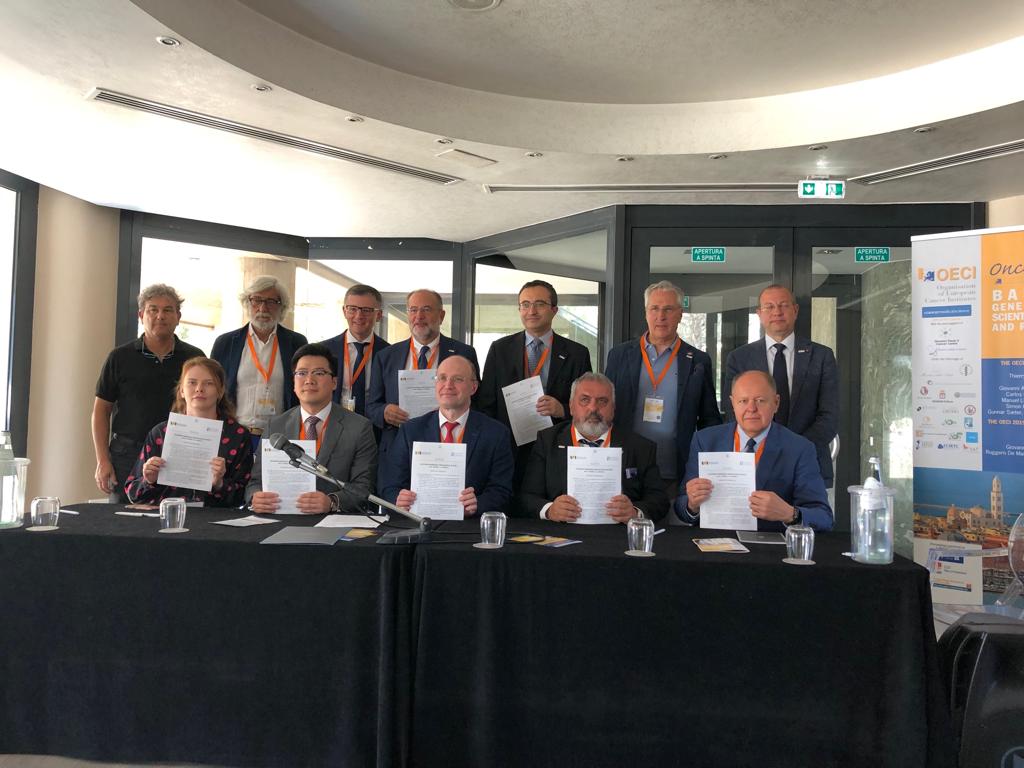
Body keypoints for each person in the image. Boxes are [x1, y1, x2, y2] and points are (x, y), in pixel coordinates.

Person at [604, 280, 722, 507]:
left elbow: (710, 419)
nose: (661, 316)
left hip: (675, 468)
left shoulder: (698, 360)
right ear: (646, 312)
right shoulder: (619, 355)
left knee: (671, 526)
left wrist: (710, 465)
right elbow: (606, 407)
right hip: (625, 465)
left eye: (668, 309)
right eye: (655, 309)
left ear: (680, 314)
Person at [675, 370, 833, 531]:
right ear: (732, 403)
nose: (751, 408)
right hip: (714, 541)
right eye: (743, 401)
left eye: (760, 401)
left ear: (776, 403)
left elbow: (824, 517)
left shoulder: (799, 448)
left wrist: (789, 514)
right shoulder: (705, 440)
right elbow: (681, 508)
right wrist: (692, 504)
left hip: (771, 542)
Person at [92, 284, 206, 502]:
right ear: (141, 315)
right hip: (126, 455)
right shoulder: (119, 357)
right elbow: (101, 410)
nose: (160, 316)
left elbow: (206, 405)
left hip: (178, 452)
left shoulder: (194, 358)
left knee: (178, 517)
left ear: (178, 317)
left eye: (168, 310)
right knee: (121, 518)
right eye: (153, 310)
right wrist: (103, 460)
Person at [477, 279, 592, 485]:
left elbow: (588, 404)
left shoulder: (577, 354)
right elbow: (486, 403)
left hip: (556, 447)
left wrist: (562, 409)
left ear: (554, 310)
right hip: (509, 447)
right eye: (525, 304)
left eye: (539, 304)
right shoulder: (499, 349)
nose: (532, 311)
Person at [724, 284, 839, 488]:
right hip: (753, 463)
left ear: (795, 310)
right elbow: (734, 412)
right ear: (759, 314)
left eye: (783, 305)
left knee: (808, 510)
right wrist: (766, 448)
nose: (777, 312)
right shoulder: (739, 358)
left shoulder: (821, 356)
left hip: (808, 463)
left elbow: (830, 416)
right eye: (769, 307)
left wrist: (794, 449)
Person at [245, 343, 378, 514]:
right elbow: (255, 482)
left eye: (319, 373)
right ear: (293, 383)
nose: (309, 380)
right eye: (302, 373)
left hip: (332, 520)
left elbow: (363, 486)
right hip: (281, 516)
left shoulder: (359, 427)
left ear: (334, 382)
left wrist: (332, 502)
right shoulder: (275, 426)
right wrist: (255, 497)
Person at [520, 372, 667, 522]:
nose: (593, 408)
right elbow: (526, 498)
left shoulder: (640, 447)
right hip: (562, 532)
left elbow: (660, 501)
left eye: (602, 401)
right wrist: (549, 510)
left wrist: (635, 512)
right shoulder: (547, 441)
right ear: (571, 406)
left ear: (613, 408)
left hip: (617, 533)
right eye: (585, 400)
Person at [379, 355, 513, 518]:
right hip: (418, 525)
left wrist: (478, 504)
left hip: (470, 527)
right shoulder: (410, 430)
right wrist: (398, 499)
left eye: (458, 379)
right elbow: (389, 487)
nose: (448, 385)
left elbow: (502, 491)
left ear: (473, 387)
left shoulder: (496, 433)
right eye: (442, 378)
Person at [366, 288, 479, 460]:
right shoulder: (386, 356)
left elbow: (477, 400)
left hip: (448, 445)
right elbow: (371, 406)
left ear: (441, 315)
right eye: (413, 310)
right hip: (398, 447)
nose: (419, 316)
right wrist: (384, 411)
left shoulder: (464, 353)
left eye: (426, 309)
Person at [124, 357, 254, 507]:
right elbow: (133, 493)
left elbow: (244, 498)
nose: (199, 389)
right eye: (192, 382)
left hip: (215, 517)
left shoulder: (238, 435)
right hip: (166, 515)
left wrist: (219, 483)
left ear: (220, 391)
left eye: (209, 383)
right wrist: (149, 480)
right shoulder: (161, 433)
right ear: (181, 391)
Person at [210, 275, 308, 443]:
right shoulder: (225, 343)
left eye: (271, 302)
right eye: (256, 300)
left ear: (282, 307)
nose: (263, 308)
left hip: (280, 437)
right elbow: (213, 389)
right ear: (247, 303)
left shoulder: (297, 343)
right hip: (233, 434)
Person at [321, 284, 390, 418]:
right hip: (333, 423)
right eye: (352, 309)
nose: (359, 316)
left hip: (374, 425)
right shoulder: (324, 350)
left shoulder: (389, 353)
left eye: (366, 310)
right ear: (344, 311)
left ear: (379, 315)